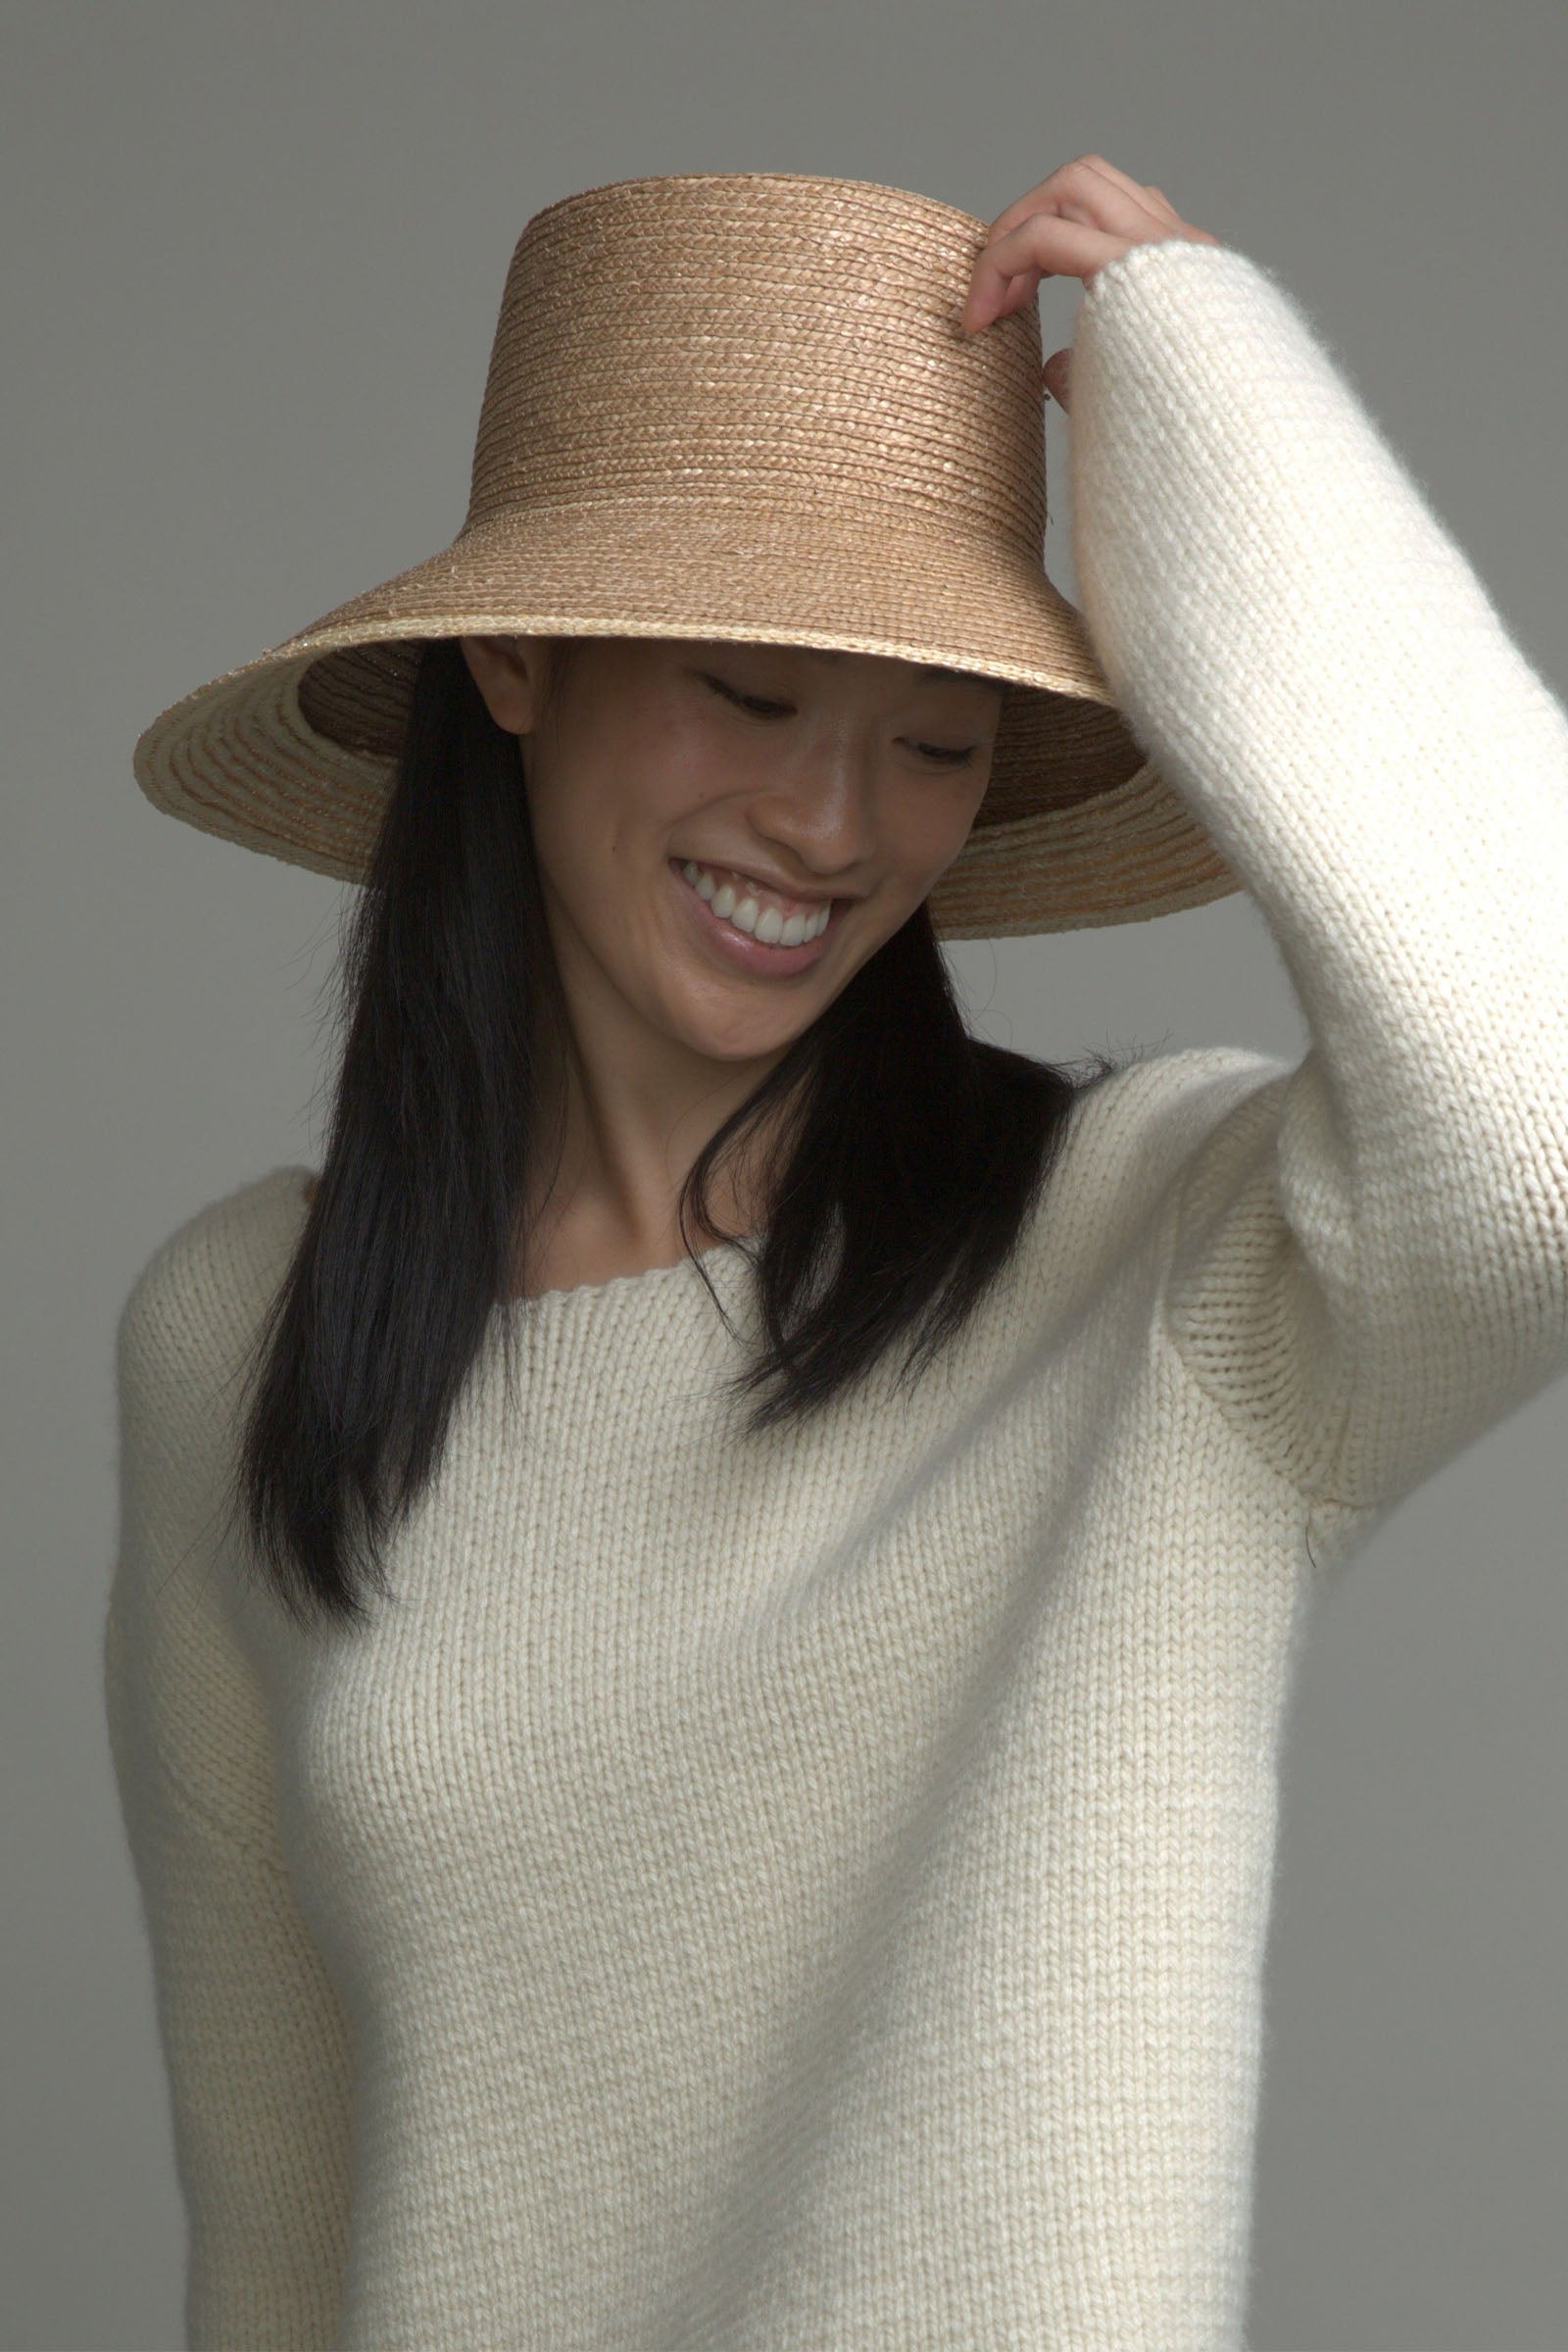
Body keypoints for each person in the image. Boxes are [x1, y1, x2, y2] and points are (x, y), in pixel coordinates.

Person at [104, 158, 1568, 2350]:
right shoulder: (239, 1338)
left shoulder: (1147, 1259)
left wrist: (1209, 382)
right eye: (747, 694)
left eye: (935, 742)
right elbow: (279, 2222)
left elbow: (1535, 1118)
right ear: (512, 653)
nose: (829, 826)